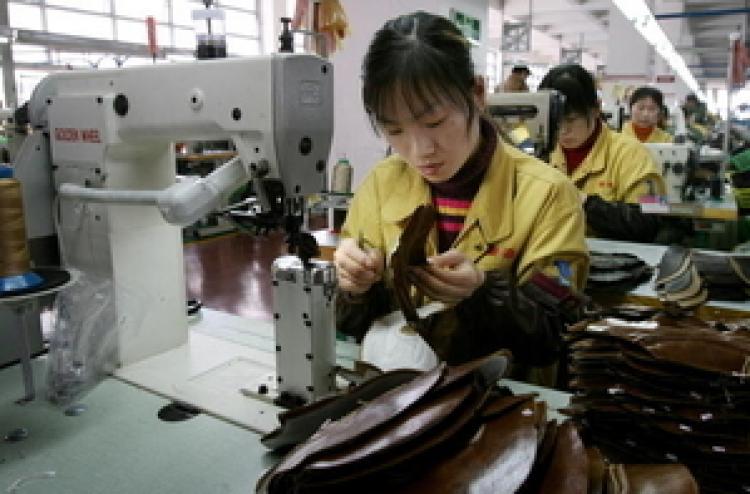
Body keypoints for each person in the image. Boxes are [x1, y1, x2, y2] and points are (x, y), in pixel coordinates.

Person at [334, 12, 588, 385]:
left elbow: (554, 336)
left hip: (500, 406)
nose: (420, 150)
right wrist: (354, 288)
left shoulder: (548, 194)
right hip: (398, 400)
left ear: (477, 94)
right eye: (394, 130)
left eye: (435, 122)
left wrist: (485, 294)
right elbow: (352, 325)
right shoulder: (380, 185)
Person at [538, 64, 666, 242]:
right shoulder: (542, 154)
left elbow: (654, 222)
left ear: (596, 110)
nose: (563, 131)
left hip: (614, 263)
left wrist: (585, 203)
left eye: (571, 120)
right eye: (555, 121)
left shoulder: (635, 154)